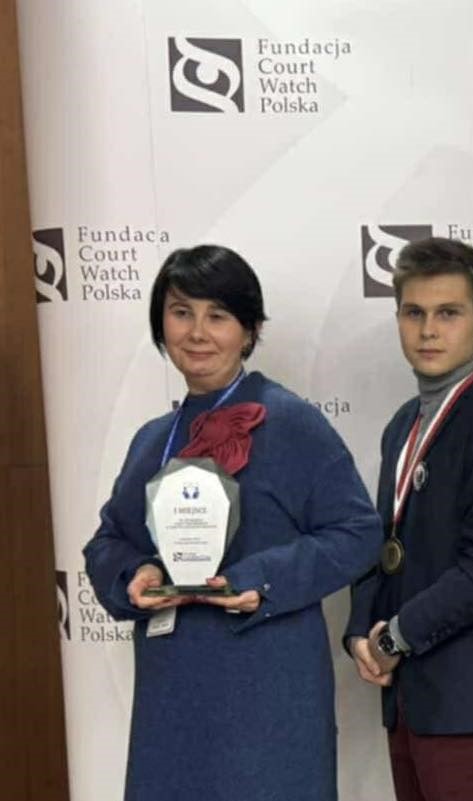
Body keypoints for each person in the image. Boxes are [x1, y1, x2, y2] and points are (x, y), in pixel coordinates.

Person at [82, 244, 383, 801]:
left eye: (217, 315)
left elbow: (358, 533)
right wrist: (133, 573)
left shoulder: (290, 422)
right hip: (171, 698)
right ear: (161, 325)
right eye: (181, 313)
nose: (197, 332)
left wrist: (261, 580)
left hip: (268, 692)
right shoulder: (152, 439)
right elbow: (107, 542)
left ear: (249, 331)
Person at [344, 237, 473, 801]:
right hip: (409, 699)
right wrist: (360, 631)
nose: (428, 330)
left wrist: (396, 638)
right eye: (414, 313)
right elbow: (384, 547)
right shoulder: (401, 425)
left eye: (448, 313)